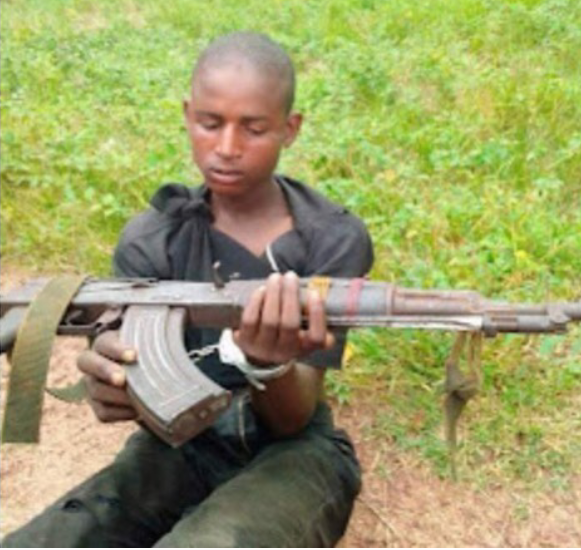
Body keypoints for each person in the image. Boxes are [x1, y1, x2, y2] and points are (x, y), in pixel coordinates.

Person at [4, 32, 374, 547]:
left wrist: (265, 364)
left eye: (253, 129)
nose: (226, 148)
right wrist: (117, 381)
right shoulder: (152, 240)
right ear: (186, 115)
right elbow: (144, 398)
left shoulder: (332, 238)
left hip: (297, 453)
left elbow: (294, 420)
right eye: (210, 123)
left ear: (290, 129)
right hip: (180, 446)